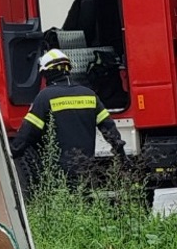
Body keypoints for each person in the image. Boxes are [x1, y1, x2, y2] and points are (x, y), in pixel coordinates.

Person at [11, 48, 126, 192]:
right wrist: (120, 152)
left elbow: (28, 133)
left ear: (47, 73)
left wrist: (11, 154)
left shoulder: (45, 97)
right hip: (87, 169)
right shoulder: (89, 95)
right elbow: (109, 129)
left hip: (60, 173)